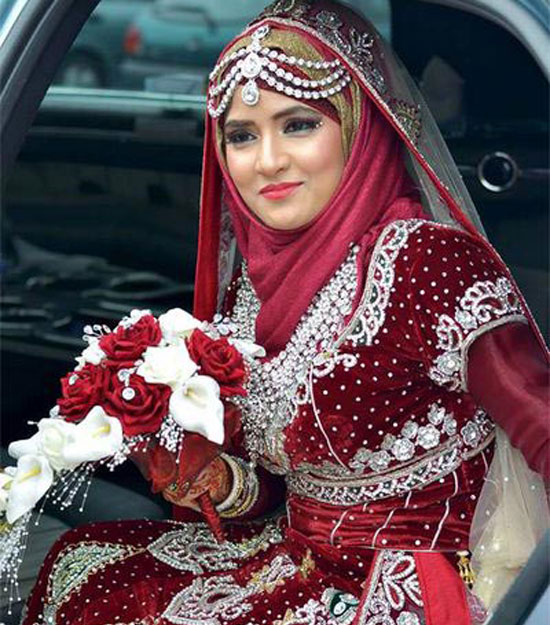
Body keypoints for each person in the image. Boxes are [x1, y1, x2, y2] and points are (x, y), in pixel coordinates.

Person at [21, 1, 549, 624]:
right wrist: (219, 482)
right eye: (242, 136)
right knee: (86, 566)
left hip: (405, 585)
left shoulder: (425, 262)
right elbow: (282, 482)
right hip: (294, 557)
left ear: (357, 128)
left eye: (297, 125)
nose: (267, 161)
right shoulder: (255, 279)